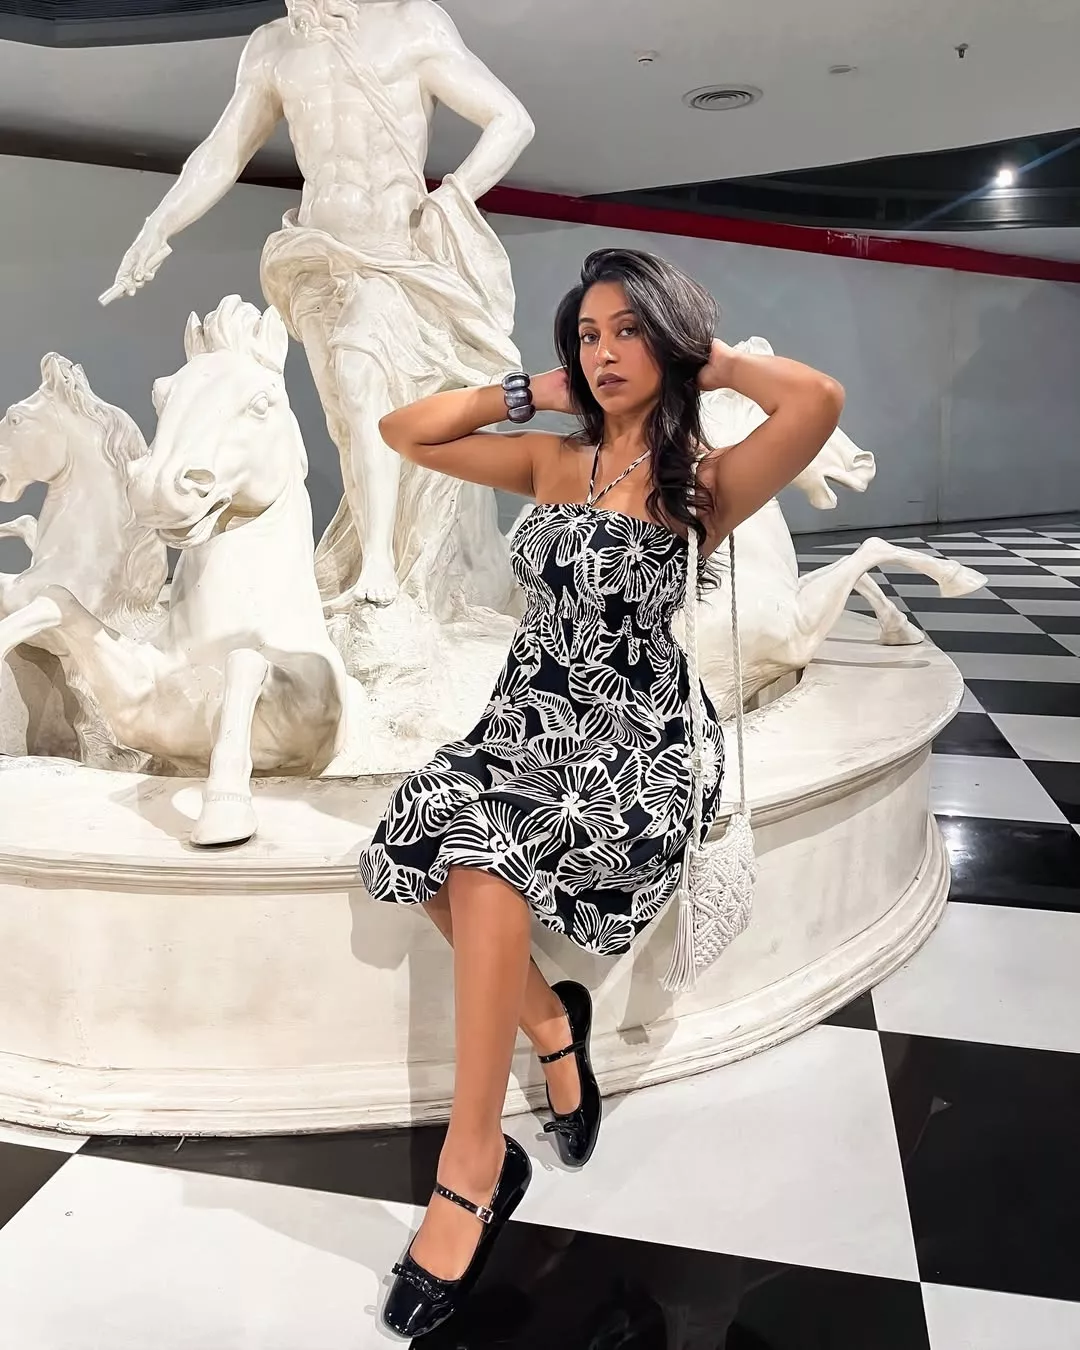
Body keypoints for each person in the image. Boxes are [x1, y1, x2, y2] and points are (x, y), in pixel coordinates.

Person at [357, 248, 845, 1338]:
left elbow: (817, 399)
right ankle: (550, 1025)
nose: (605, 353)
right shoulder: (551, 458)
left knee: (483, 849)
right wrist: (530, 389)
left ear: (666, 341)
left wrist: (712, 363)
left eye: (629, 331)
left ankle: (472, 1164)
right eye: (588, 334)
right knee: (428, 826)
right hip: (525, 718)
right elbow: (406, 432)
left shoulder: (702, 484)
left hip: (633, 741)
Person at [102, 0, 533, 612]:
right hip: (313, 257)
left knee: (361, 380)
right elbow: (224, 151)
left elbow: (510, 120)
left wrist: (454, 195)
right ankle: (372, 556)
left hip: (391, 253)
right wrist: (158, 227)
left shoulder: (410, 23)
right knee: (346, 422)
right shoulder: (273, 46)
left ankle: (379, 564)